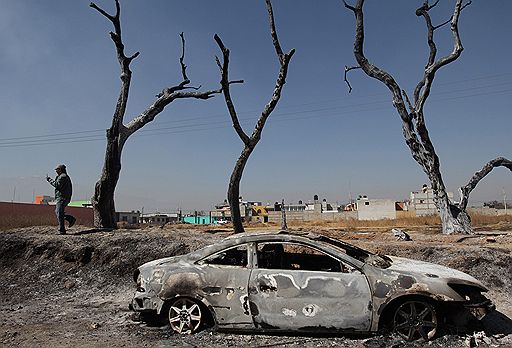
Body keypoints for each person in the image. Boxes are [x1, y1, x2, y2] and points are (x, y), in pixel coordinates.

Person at [46, 164, 76, 234]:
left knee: (59, 212)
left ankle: (62, 230)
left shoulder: (62, 177)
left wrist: (49, 180)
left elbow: (57, 185)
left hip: (62, 198)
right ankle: (70, 219)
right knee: (58, 212)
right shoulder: (63, 176)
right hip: (64, 197)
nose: (56, 171)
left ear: (60, 170)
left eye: (57, 169)